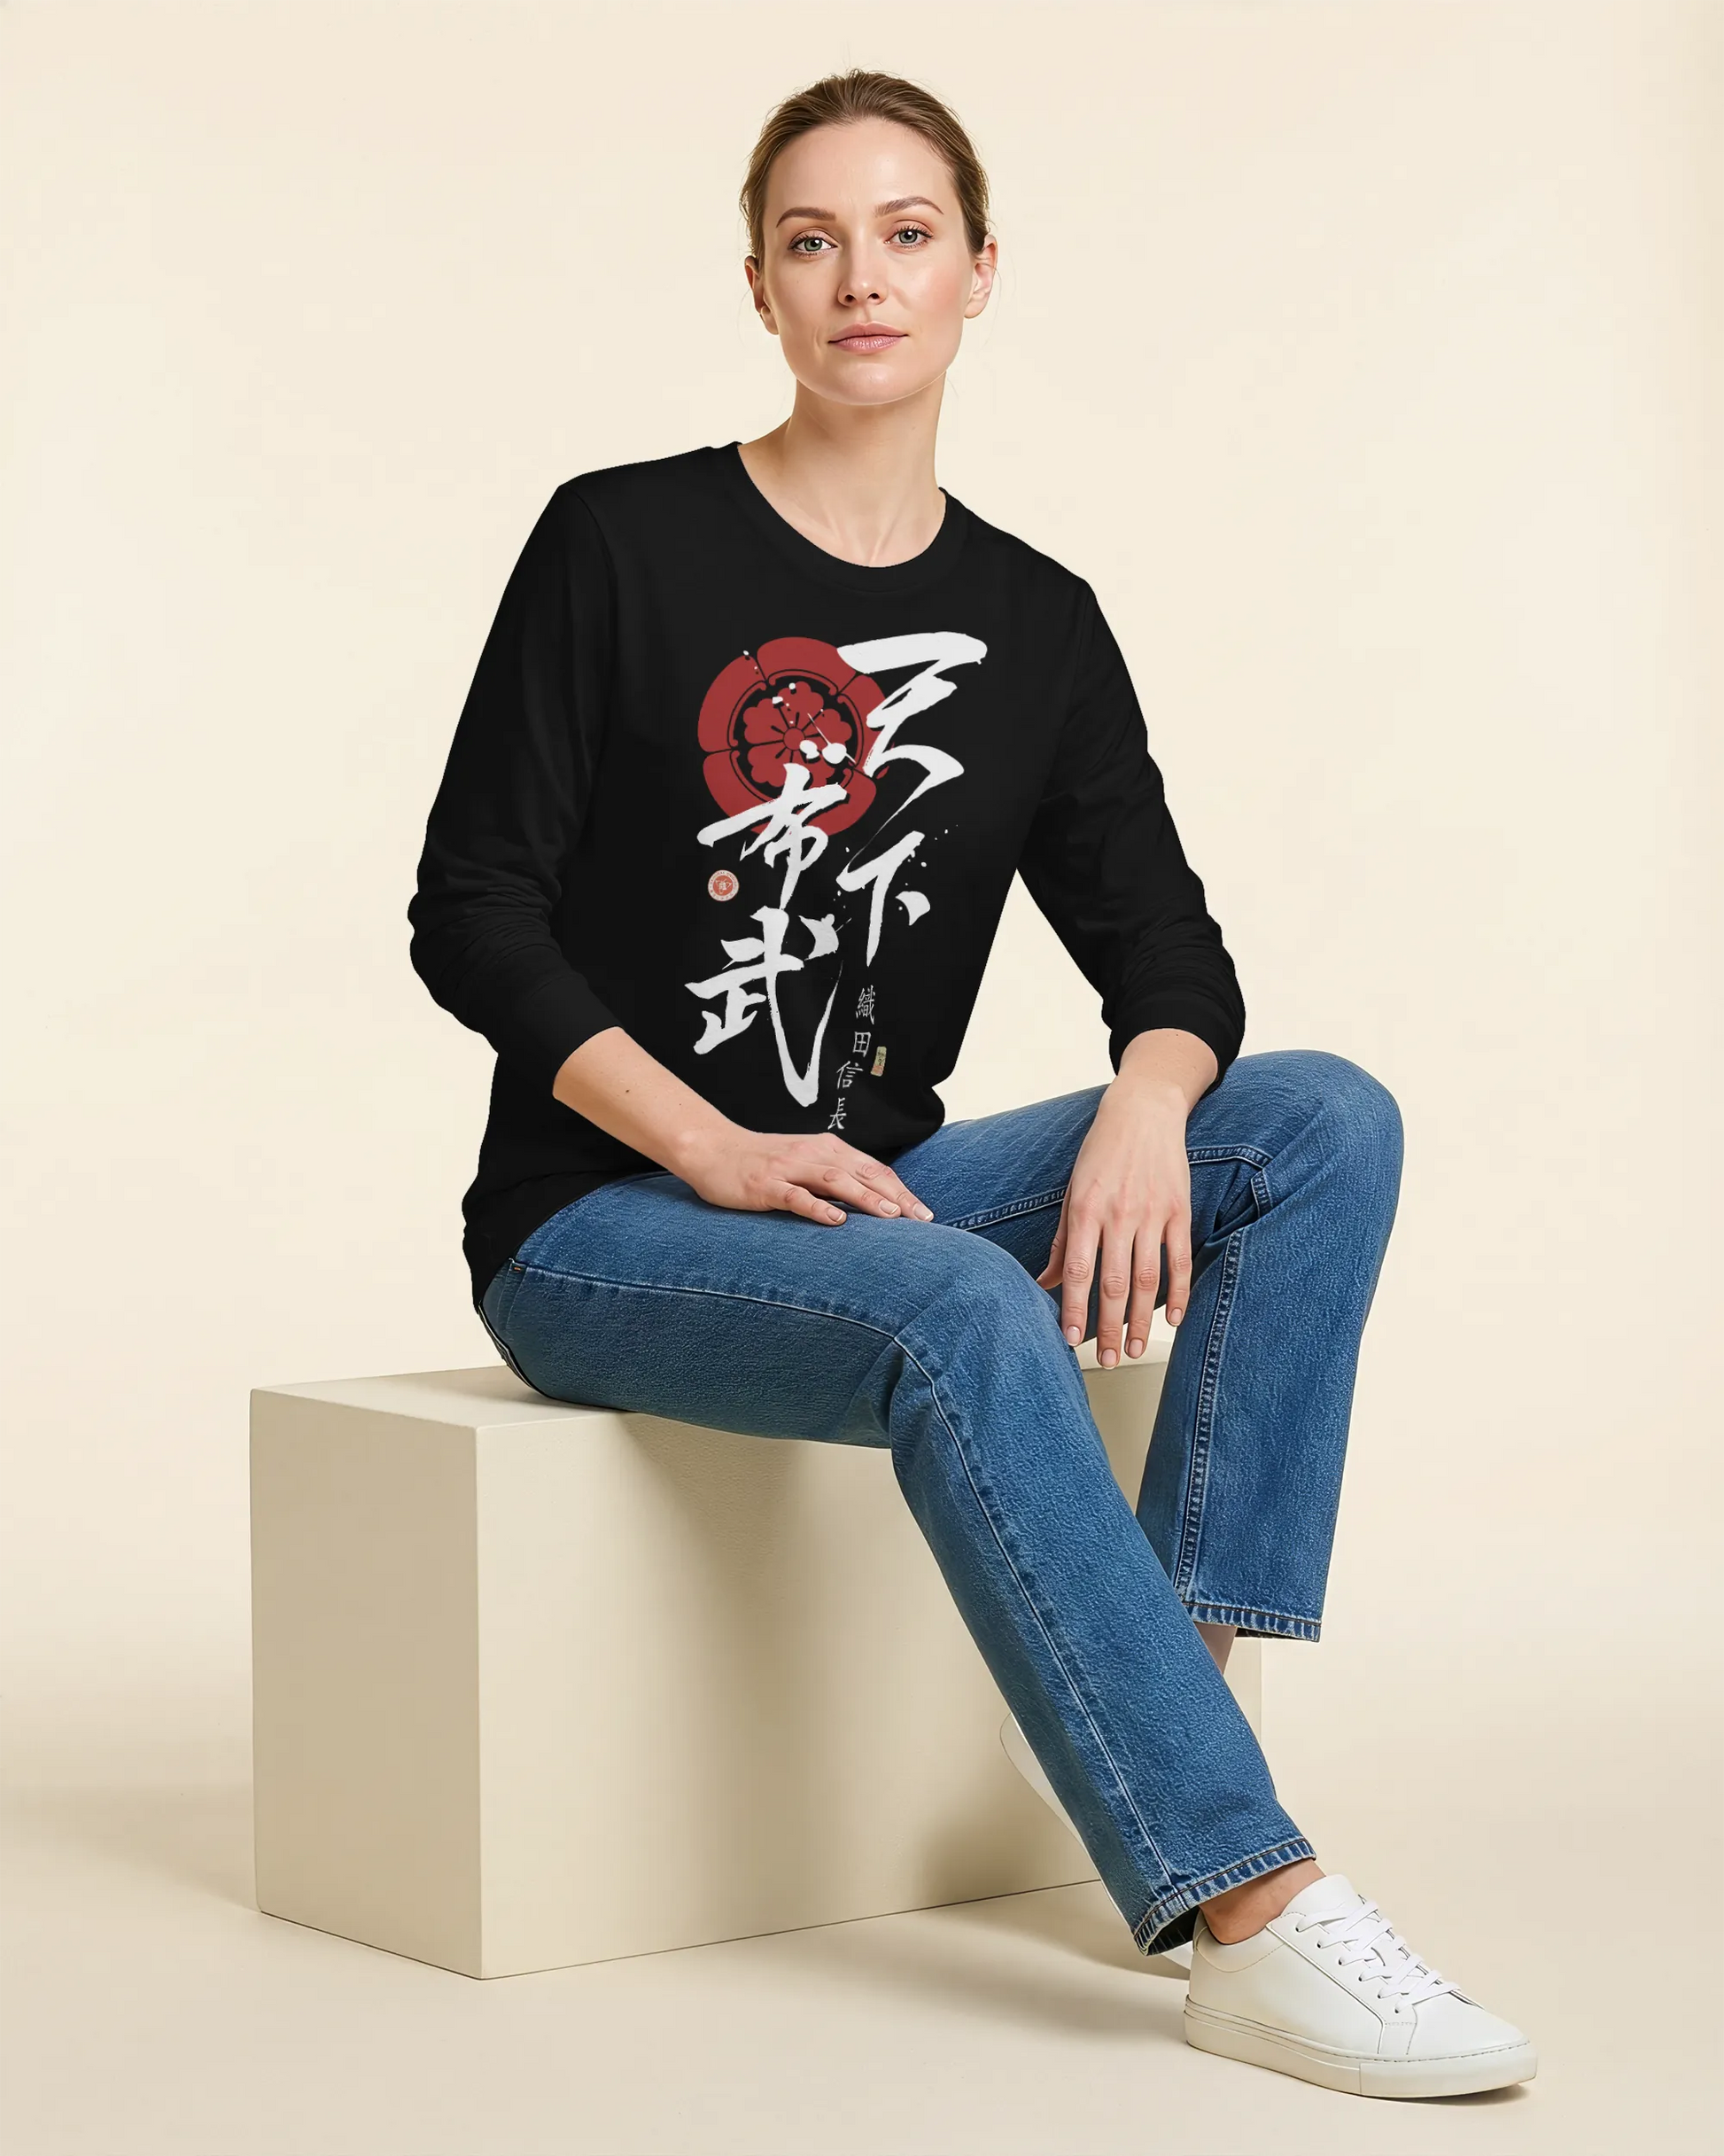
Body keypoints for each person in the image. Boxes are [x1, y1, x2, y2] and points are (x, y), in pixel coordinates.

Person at [407, 67, 1535, 2101]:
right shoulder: (621, 543)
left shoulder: (1033, 624)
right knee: (953, 1298)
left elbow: (1172, 961)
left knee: (1316, 1119)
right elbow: (471, 912)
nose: (863, 276)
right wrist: (710, 1146)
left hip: (872, 1189)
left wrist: (1143, 1102)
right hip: (603, 1222)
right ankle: (1249, 1915)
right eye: (813, 239)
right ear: (759, 284)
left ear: (978, 271)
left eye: (906, 232)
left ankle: (1174, 1699)